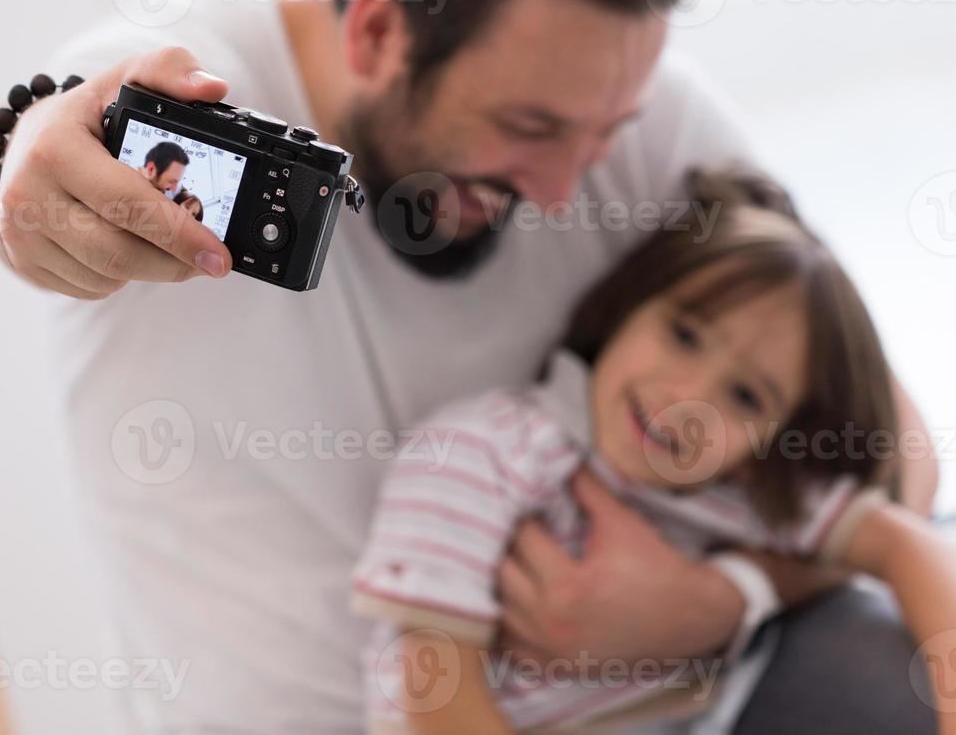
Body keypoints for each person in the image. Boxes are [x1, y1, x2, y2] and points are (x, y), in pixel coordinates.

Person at [0, 0, 939, 732]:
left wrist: (716, 601)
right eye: (527, 130)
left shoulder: (621, 107)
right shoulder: (198, 83)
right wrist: (27, 174)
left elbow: (898, 457)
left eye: (603, 137)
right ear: (376, 35)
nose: (568, 189)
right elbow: (47, 149)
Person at [352, 168, 956, 733]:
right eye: (684, 334)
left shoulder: (746, 489)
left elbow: (906, 543)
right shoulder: (477, 454)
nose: (687, 399)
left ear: (768, 440)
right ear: (630, 303)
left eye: (745, 396)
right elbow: (431, 697)